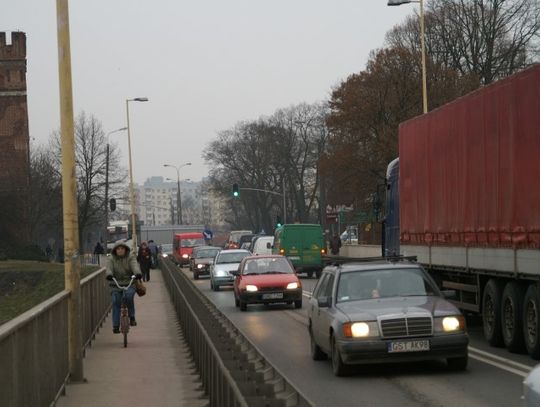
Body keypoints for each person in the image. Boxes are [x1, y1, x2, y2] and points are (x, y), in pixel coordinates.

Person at [105, 241, 142, 333]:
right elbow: (109, 268)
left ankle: (132, 317)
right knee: (116, 301)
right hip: (115, 284)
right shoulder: (111, 259)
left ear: (125, 249)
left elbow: (134, 266)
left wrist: (137, 273)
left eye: (122, 248)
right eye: (118, 249)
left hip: (129, 282)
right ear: (115, 250)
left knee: (129, 296)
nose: (120, 250)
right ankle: (116, 325)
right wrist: (109, 275)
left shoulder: (130, 257)